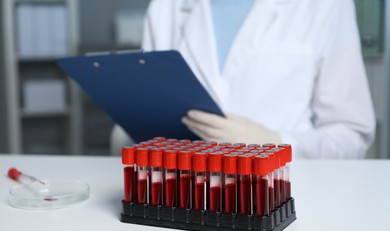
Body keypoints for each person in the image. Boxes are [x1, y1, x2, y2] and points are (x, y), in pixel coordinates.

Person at [111, 0, 375, 159]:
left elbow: (352, 133)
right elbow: (156, 109)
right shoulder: (167, 6)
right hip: (186, 197)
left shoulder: (324, 5)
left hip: (284, 194)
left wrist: (277, 144)